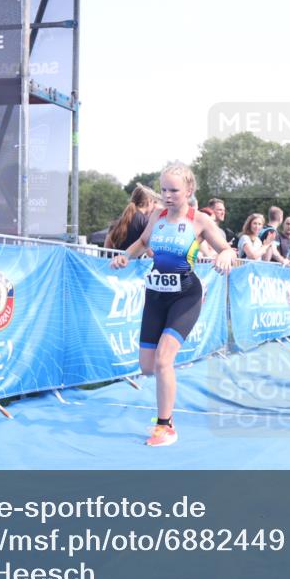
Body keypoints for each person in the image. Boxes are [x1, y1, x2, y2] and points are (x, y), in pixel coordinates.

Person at [110, 162, 236, 447]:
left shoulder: (199, 221)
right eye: (164, 189)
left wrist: (226, 256)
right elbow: (141, 243)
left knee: (164, 359)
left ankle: (165, 425)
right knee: (146, 366)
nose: (167, 195)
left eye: (174, 190)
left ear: (189, 190)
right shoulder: (157, 216)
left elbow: (226, 248)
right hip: (155, 295)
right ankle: (165, 406)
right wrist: (125, 256)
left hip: (185, 295)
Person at [105, 184, 159, 250]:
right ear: (149, 201)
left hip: (115, 260)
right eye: (154, 202)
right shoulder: (145, 222)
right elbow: (150, 251)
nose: (154, 206)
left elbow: (106, 249)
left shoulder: (118, 221)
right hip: (133, 260)